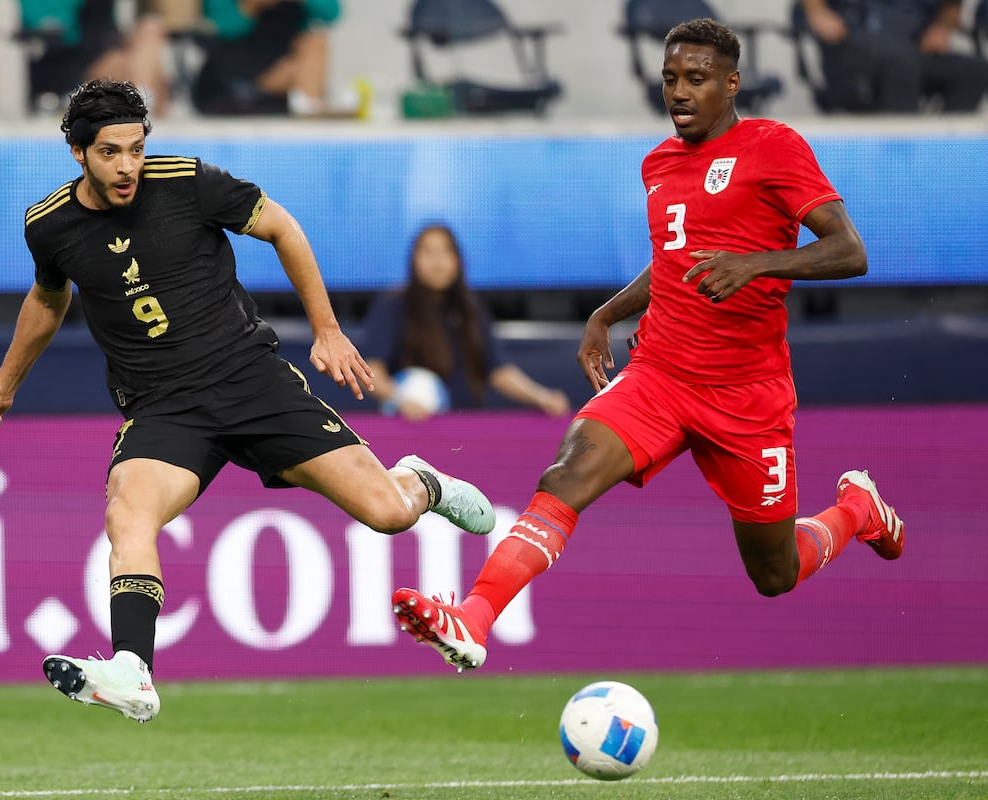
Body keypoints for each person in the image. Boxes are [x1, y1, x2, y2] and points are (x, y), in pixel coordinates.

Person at [0, 78, 496, 723]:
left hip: (250, 381)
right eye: (110, 152)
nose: (127, 166)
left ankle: (421, 482)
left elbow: (282, 228)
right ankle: (132, 669)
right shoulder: (49, 226)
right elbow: (49, 300)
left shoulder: (189, 183)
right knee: (128, 513)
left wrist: (327, 330)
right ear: (78, 153)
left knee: (387, 513)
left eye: (136, 148)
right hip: (163, 406)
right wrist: (3, 389)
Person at [391, 18, 906, 673]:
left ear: (731, 83)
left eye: (696, 79)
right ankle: (474, 616)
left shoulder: (773, 146)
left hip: (746, 395)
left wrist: (757, 263)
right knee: (566, 475)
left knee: (775, 573)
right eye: (670, 79)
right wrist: (606, 313)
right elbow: (673, 260)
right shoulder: (659, 164)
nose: (680, 92)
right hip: (660, 374)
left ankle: (857, 508)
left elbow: (850, 251)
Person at [361, 223, 571, 421]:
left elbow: (498, 370)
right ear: (414, 260)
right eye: (428, 252)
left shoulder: (471, 308)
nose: (437, 262)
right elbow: (372, 370)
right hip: (412, 427)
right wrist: (400, 398)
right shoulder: (393, 305)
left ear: (457, 260)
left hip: (464, 426)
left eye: (445, 252)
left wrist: (541, 397)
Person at [800, 0, 988, 112]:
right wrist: (818, 12)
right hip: (855, 49)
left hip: (917, 48)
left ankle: (943, 150)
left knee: (975, 71)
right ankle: (901, 156)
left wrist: (942, 27)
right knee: (901, 61)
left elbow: (951, 8)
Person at [18, 0, 181, 115]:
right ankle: (142, 109)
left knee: (151, 28)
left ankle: (144, 107)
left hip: (107, 47)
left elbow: (108, 29)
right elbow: (60, 29)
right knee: (124, 66)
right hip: (75, 61)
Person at [193, 0, 353, 115]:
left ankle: (310, 104)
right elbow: (218, 27)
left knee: (316, 42)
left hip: (283, 67)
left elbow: (333, 13)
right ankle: (310, 104)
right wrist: (251, 6)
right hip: (235, 75)